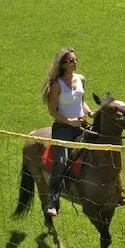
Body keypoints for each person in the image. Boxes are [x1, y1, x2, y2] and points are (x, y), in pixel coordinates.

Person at [40, 47, 100, 217]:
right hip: (63, 128)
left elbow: (81, 101)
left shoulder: (81, 79)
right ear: (63, 64)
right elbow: (53, 111)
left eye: (75, 59)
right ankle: (52, 201)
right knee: (61, 161)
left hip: (81, 125)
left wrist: (90, 112)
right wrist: (69, 121)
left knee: (104, 149)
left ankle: (117, 191)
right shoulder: (56, 84)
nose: (75, 63)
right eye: (71, 60)